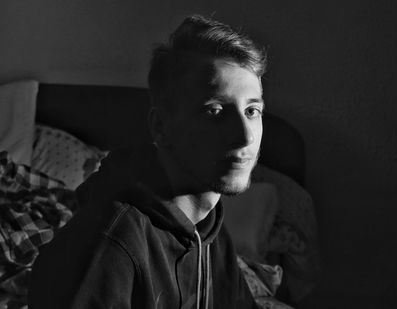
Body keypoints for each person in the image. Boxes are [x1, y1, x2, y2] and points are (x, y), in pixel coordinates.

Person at [29, 14, 266, 309]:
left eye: (252, 111)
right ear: (161, 127)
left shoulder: (209, 227)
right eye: (215, 111)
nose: (244, 137)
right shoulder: (111, 241)